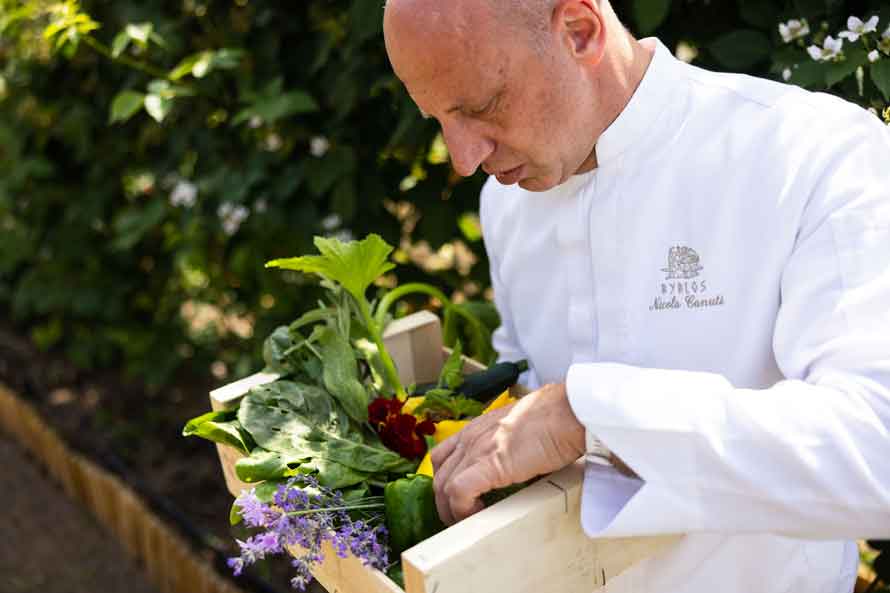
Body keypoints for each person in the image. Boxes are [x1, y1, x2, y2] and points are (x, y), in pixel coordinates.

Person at [383, 0, 890, 591]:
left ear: (580, 32)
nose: (464, 160)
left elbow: (877, 451)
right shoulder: (506, 200)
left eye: (482, 106)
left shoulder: (811, 154)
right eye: (438, 119)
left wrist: (589, 416)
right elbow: (521, 390)